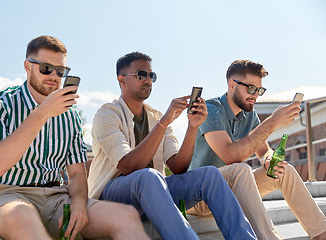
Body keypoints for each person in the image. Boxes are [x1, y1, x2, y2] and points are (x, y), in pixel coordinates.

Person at [0, 35, 150, 240]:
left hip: (57, 197)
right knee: (21, 216)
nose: (54, 76)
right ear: (27, 66)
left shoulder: (70, 116)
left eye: (60, 71)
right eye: (45, 69)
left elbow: (76, 174)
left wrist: (78, 204)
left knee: (126, 216)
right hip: (7, 195)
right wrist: (42, 113)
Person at [88, 52, 257, 240]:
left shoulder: (156, 117)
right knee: (148, 176)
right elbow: (128, 167)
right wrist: (165, 122)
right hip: (110, 196)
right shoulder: (107, 115)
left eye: (151, 76)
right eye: (141, 75)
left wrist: (193, 126)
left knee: (210, 175)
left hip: (154, 191)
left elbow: (178, 166)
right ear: (122, 80)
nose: (148, 81)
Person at [188, 60, 326, 240]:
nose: (255, 95)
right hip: (200, 196)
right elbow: (230, 156)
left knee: (284, 172)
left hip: (232, 188)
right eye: (251, 89)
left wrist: (268, 160)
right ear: (232, 85)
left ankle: (321, 235)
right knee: (241, 169)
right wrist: (273, 122)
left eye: (259, 91)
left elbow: (264, 150)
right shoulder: (212, 109)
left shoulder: (249, 114)